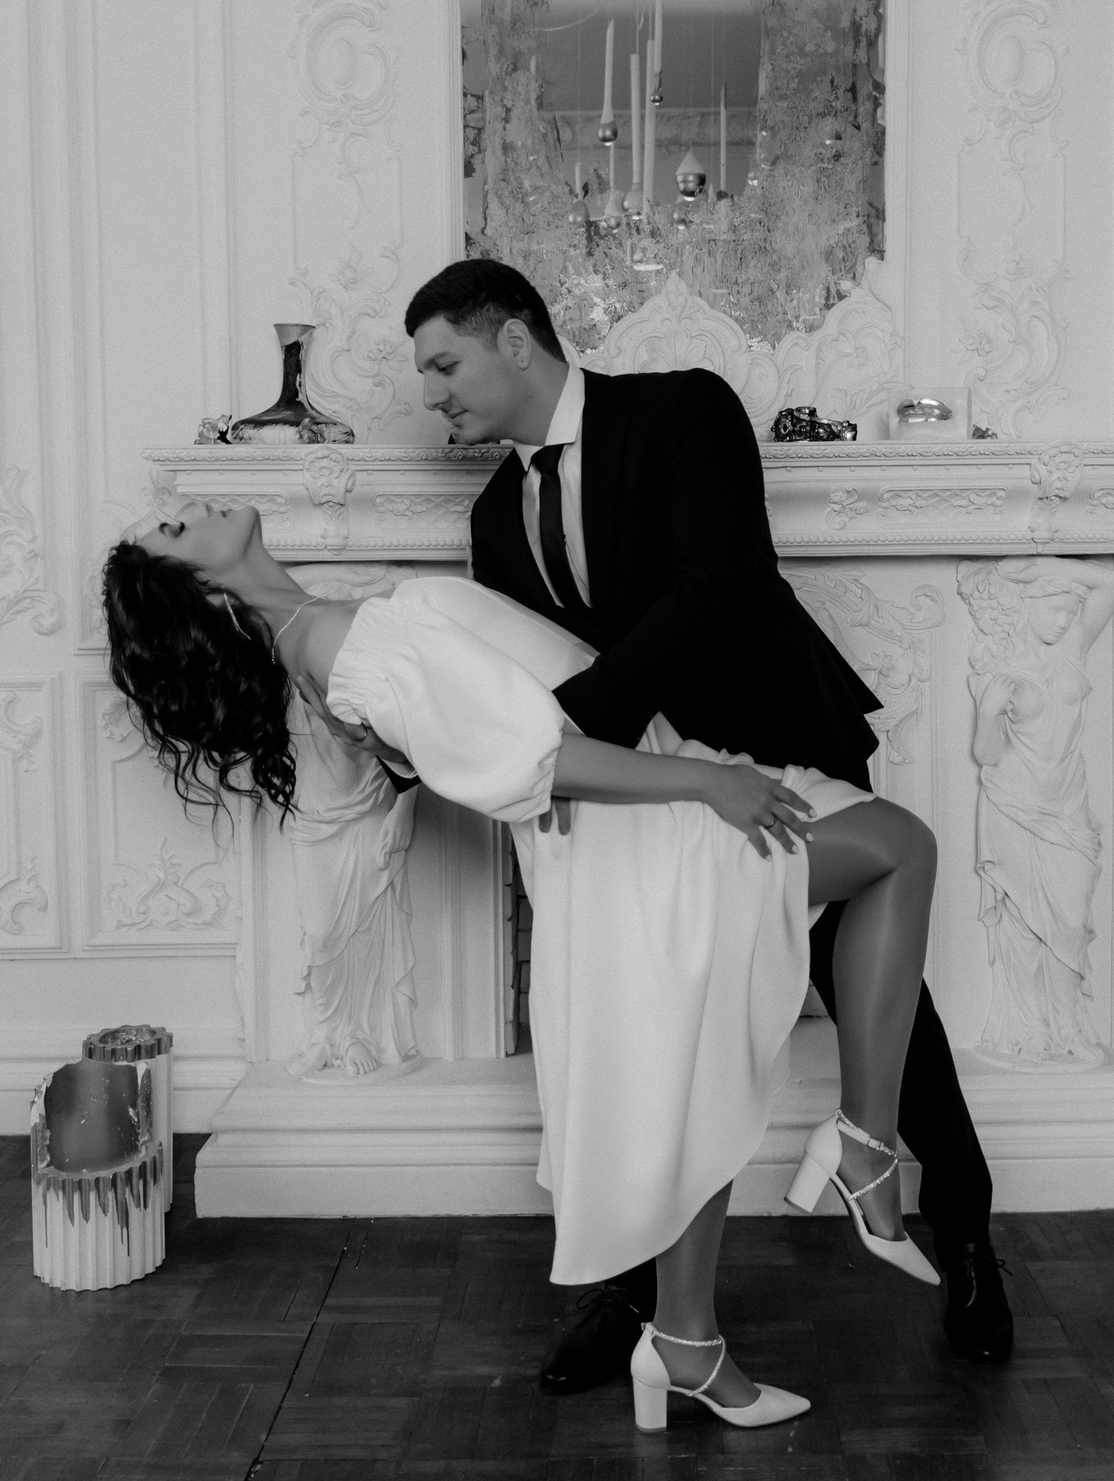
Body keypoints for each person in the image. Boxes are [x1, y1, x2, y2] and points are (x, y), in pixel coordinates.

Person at [102, 504, 942, 1433]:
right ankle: (859, 1149)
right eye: (172, 531)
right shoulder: (337, 645)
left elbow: (481, 730)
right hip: (646, 832)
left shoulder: (325, 630)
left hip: (640, 809)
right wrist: (711, 783)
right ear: (198, 588)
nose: (190, 510)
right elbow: (530, 762)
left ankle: (690, 1337)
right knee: (897, 848)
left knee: (699, 1072)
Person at [403, 256, 1014, 1388]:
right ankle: (643, 1298)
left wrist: (568, 730)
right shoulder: (496, 518)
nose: (431, 393)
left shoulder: (682, 409)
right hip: (651, 803)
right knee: (647, 1031)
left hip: (780, 748)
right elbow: (520, 674)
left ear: (516, 339)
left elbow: (719, 585)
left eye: (444, 364)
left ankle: (967, 1236)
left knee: (880, 1002)